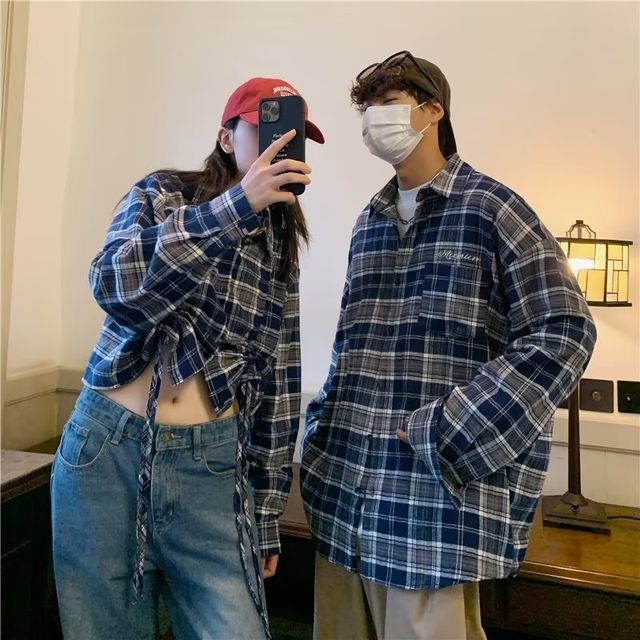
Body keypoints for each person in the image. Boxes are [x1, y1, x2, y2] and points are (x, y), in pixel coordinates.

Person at [301, 51, 596, 640]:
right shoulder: (369, 222)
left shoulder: (493, 209)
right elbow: (349, 345)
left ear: (433, 110)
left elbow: (565, 331)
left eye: (388, 103)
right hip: (343, 494)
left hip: (431, 507)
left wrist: (449, 429)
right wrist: (319, 432)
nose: (374, 120)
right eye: (366, 110)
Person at [51, 76, 324, 640]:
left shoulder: (279, 245)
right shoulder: (162, 194)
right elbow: (114, 286)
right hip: (107, 451)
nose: (283, 144)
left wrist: (267, 513)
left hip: (212, 466)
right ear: (227, 139)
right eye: (268, 129)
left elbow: (278, 378)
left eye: (294, 136)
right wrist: (236, 208)